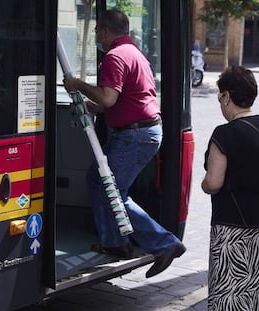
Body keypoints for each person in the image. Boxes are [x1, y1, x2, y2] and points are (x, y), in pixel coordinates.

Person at [63, 9, 186, 278]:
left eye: (97, 31)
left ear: (105, 31)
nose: (97, 36)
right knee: (97, 180)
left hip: (134, 135)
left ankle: (164, 243)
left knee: (113, 193)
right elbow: (119, 101)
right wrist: (92, 107)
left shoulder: (115, 56)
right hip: (140, 131)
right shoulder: (134, 52)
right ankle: (115, 242)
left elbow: (108, 99)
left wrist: (77, 84)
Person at [202, 66, 259, 310]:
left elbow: (214, 183)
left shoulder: (224, 134)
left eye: (219, 97)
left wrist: (204, 183)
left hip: (233, 225)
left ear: (227, 96)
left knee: (229, 291)